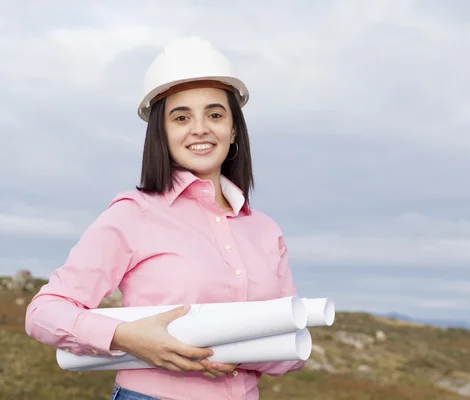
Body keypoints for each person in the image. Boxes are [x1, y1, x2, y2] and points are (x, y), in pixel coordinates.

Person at [25, 36, 306, 400]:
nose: (200, 128)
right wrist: (127, 338)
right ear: (162, 132)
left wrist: (241, 355)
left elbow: (291, 346)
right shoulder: (134, 213)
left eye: (215, 114)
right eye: (181, 117)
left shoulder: (264, 230)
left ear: (234, 130)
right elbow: (44, 313)